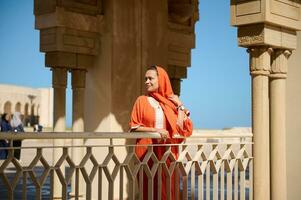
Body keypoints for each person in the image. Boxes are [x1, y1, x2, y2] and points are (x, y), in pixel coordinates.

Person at [129, 65, 193, 199]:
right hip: (146, 154)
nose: (147, 81)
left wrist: (180, 106)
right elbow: (134, 127)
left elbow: (181, 129)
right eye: (145, 79)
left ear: (161, 80)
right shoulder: (141, 101)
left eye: (150, 78)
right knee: (150, 191)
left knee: (168, 191)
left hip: (167, 154)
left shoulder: (170, 103)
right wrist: (155, 130)